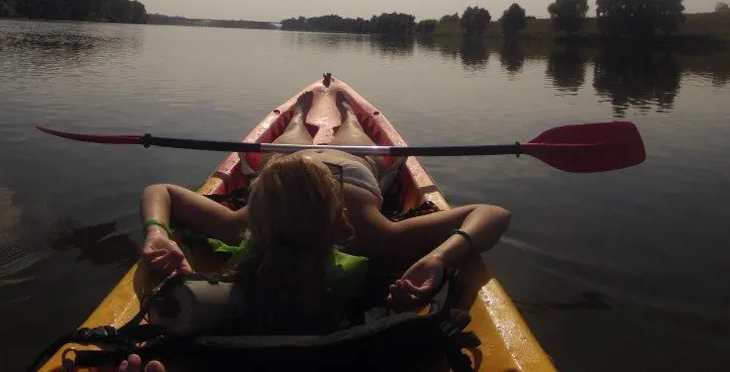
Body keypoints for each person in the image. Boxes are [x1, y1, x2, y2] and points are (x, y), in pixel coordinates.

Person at [140, 91, 511, 327]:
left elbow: (160, 191)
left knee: (298, 134)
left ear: (259, 210)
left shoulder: (245, 224)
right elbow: (493, 213)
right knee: (347, 131)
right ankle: (332, 113)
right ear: (341, 225)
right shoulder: (372, 233)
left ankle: (320, 113)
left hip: (290, 161)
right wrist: (440, 257)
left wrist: (157, 231)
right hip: (341, 161)